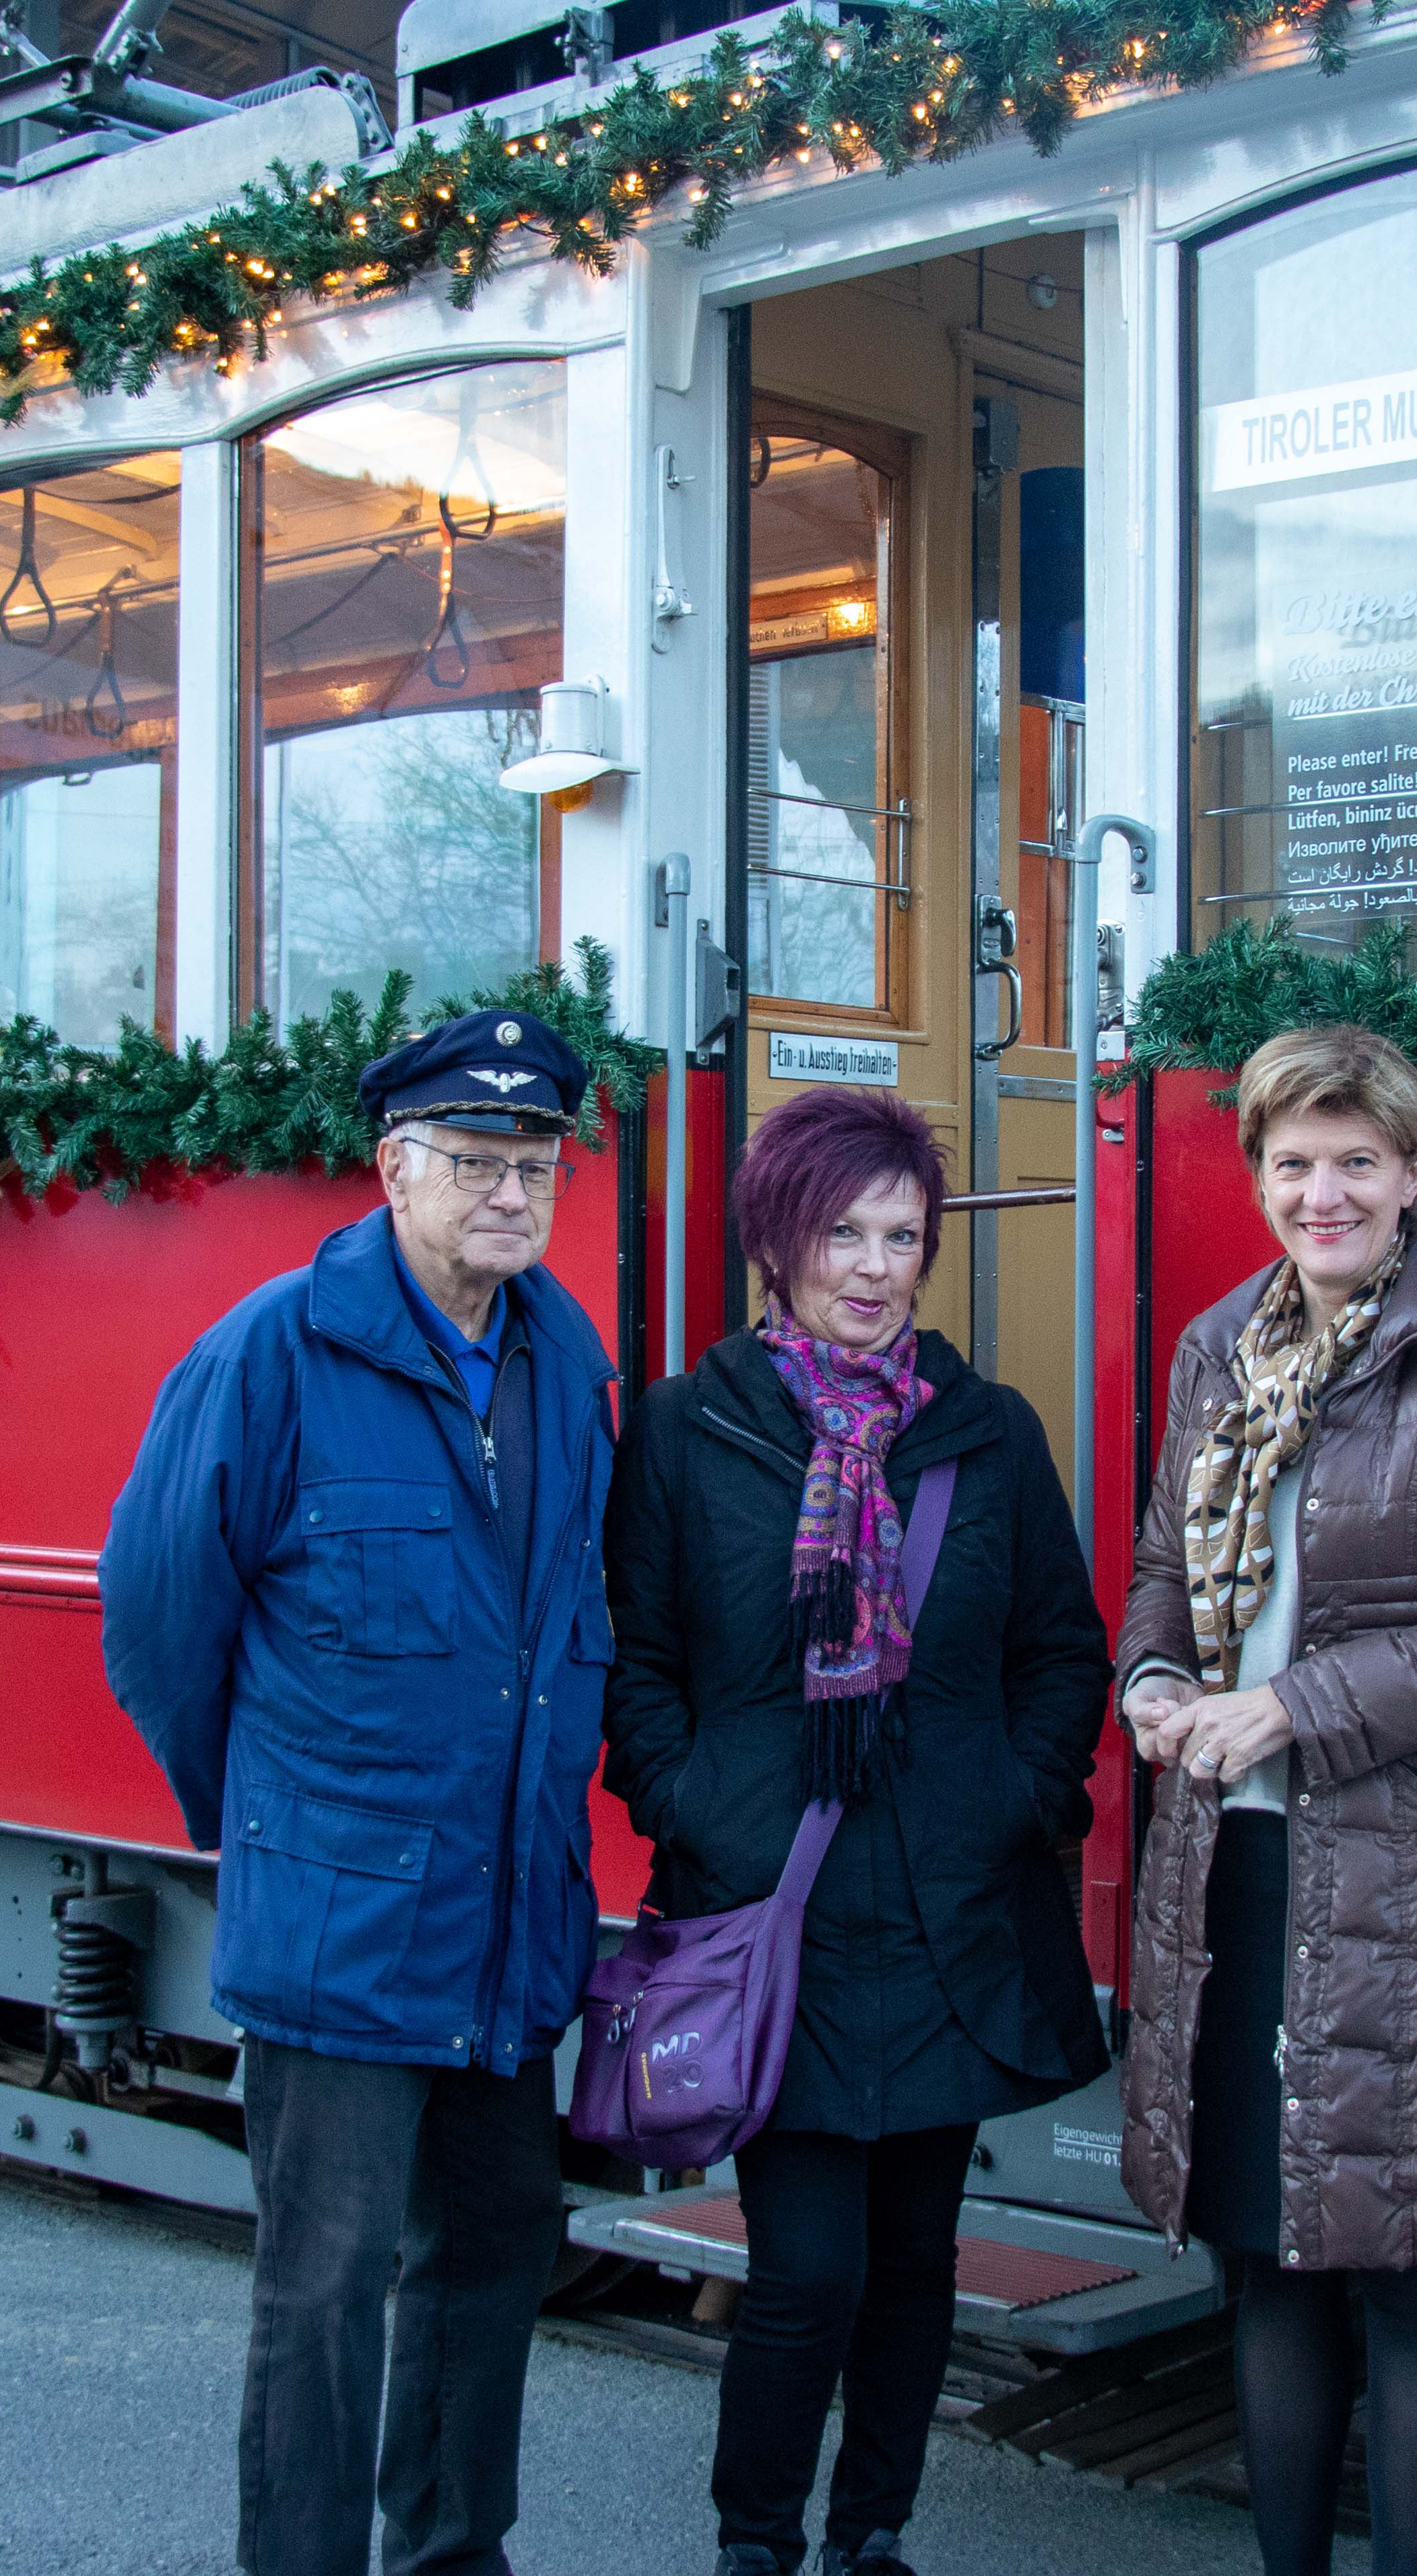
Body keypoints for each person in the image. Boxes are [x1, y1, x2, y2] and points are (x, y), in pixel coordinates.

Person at [97, 1007, 622, 2576]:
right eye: (478, 1159)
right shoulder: (272, 1351)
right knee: (322, 2285)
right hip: (341, 1918)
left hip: (507, 1915)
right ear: (394, 1167)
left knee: (493, 2253)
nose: (515, 1191)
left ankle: (454, 2555)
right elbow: (157, 1621)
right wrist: (271, 1828)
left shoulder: (565, 1356)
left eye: (537, 1163)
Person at [603, 1086, 1112, 2576]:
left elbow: (1059, 1650)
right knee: (808, 2269)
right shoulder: (693, 1429)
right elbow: (636, 1660)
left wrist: (1018, 1796)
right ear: (777, 1237)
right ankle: (756, 2539)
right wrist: (695, 1805)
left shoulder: (988, 1433)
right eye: (845, 1231)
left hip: (950, 1910)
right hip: (777, 1915)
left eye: (903, 1233)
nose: (877, 1266)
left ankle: (870, 2530)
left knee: (912, 2266)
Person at [1115, 1023, 1417, 2576]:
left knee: (1409, 2276)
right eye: (1293, 1163)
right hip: (1237, 1871)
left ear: (1412, 1179)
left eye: (1355, 1164)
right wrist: (1154, 1688)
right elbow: (1166, 1583)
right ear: (1257, 1175)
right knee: (1268, 2263)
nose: (1322, 1194)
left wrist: (1292, 1705)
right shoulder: (1213, 1353)